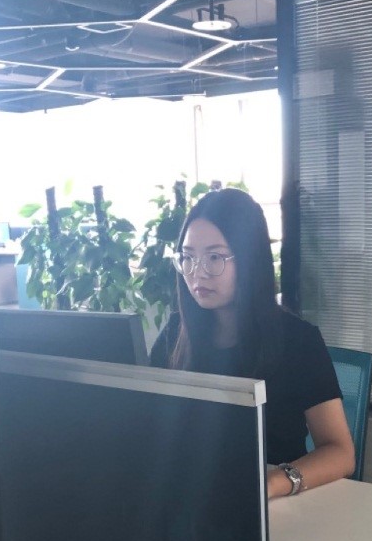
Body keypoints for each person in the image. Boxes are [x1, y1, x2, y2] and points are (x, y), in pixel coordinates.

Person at [149, 188, 356, 498]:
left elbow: (340, 452)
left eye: (214, 257)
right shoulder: (175, 334)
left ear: (249, 260)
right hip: (194, 497)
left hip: (276, 504)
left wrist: (270, 484)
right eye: (188, 257)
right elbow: (150, 425)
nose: (197, 273)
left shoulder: (298, 341)